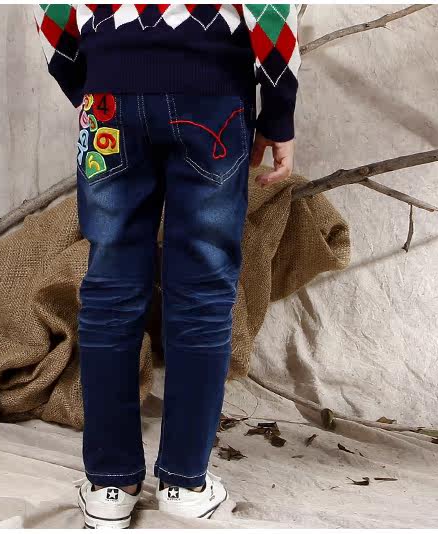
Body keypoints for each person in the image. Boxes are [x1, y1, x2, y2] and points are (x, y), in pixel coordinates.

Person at [32, 4, 300, 528]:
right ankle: (184, 483)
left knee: (109, 287)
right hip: (212, 95)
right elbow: (270, 9)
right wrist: (278, 111)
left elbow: (53, 9)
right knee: (202, 291)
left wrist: (92, 79)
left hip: (109, 98)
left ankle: (110, 485)